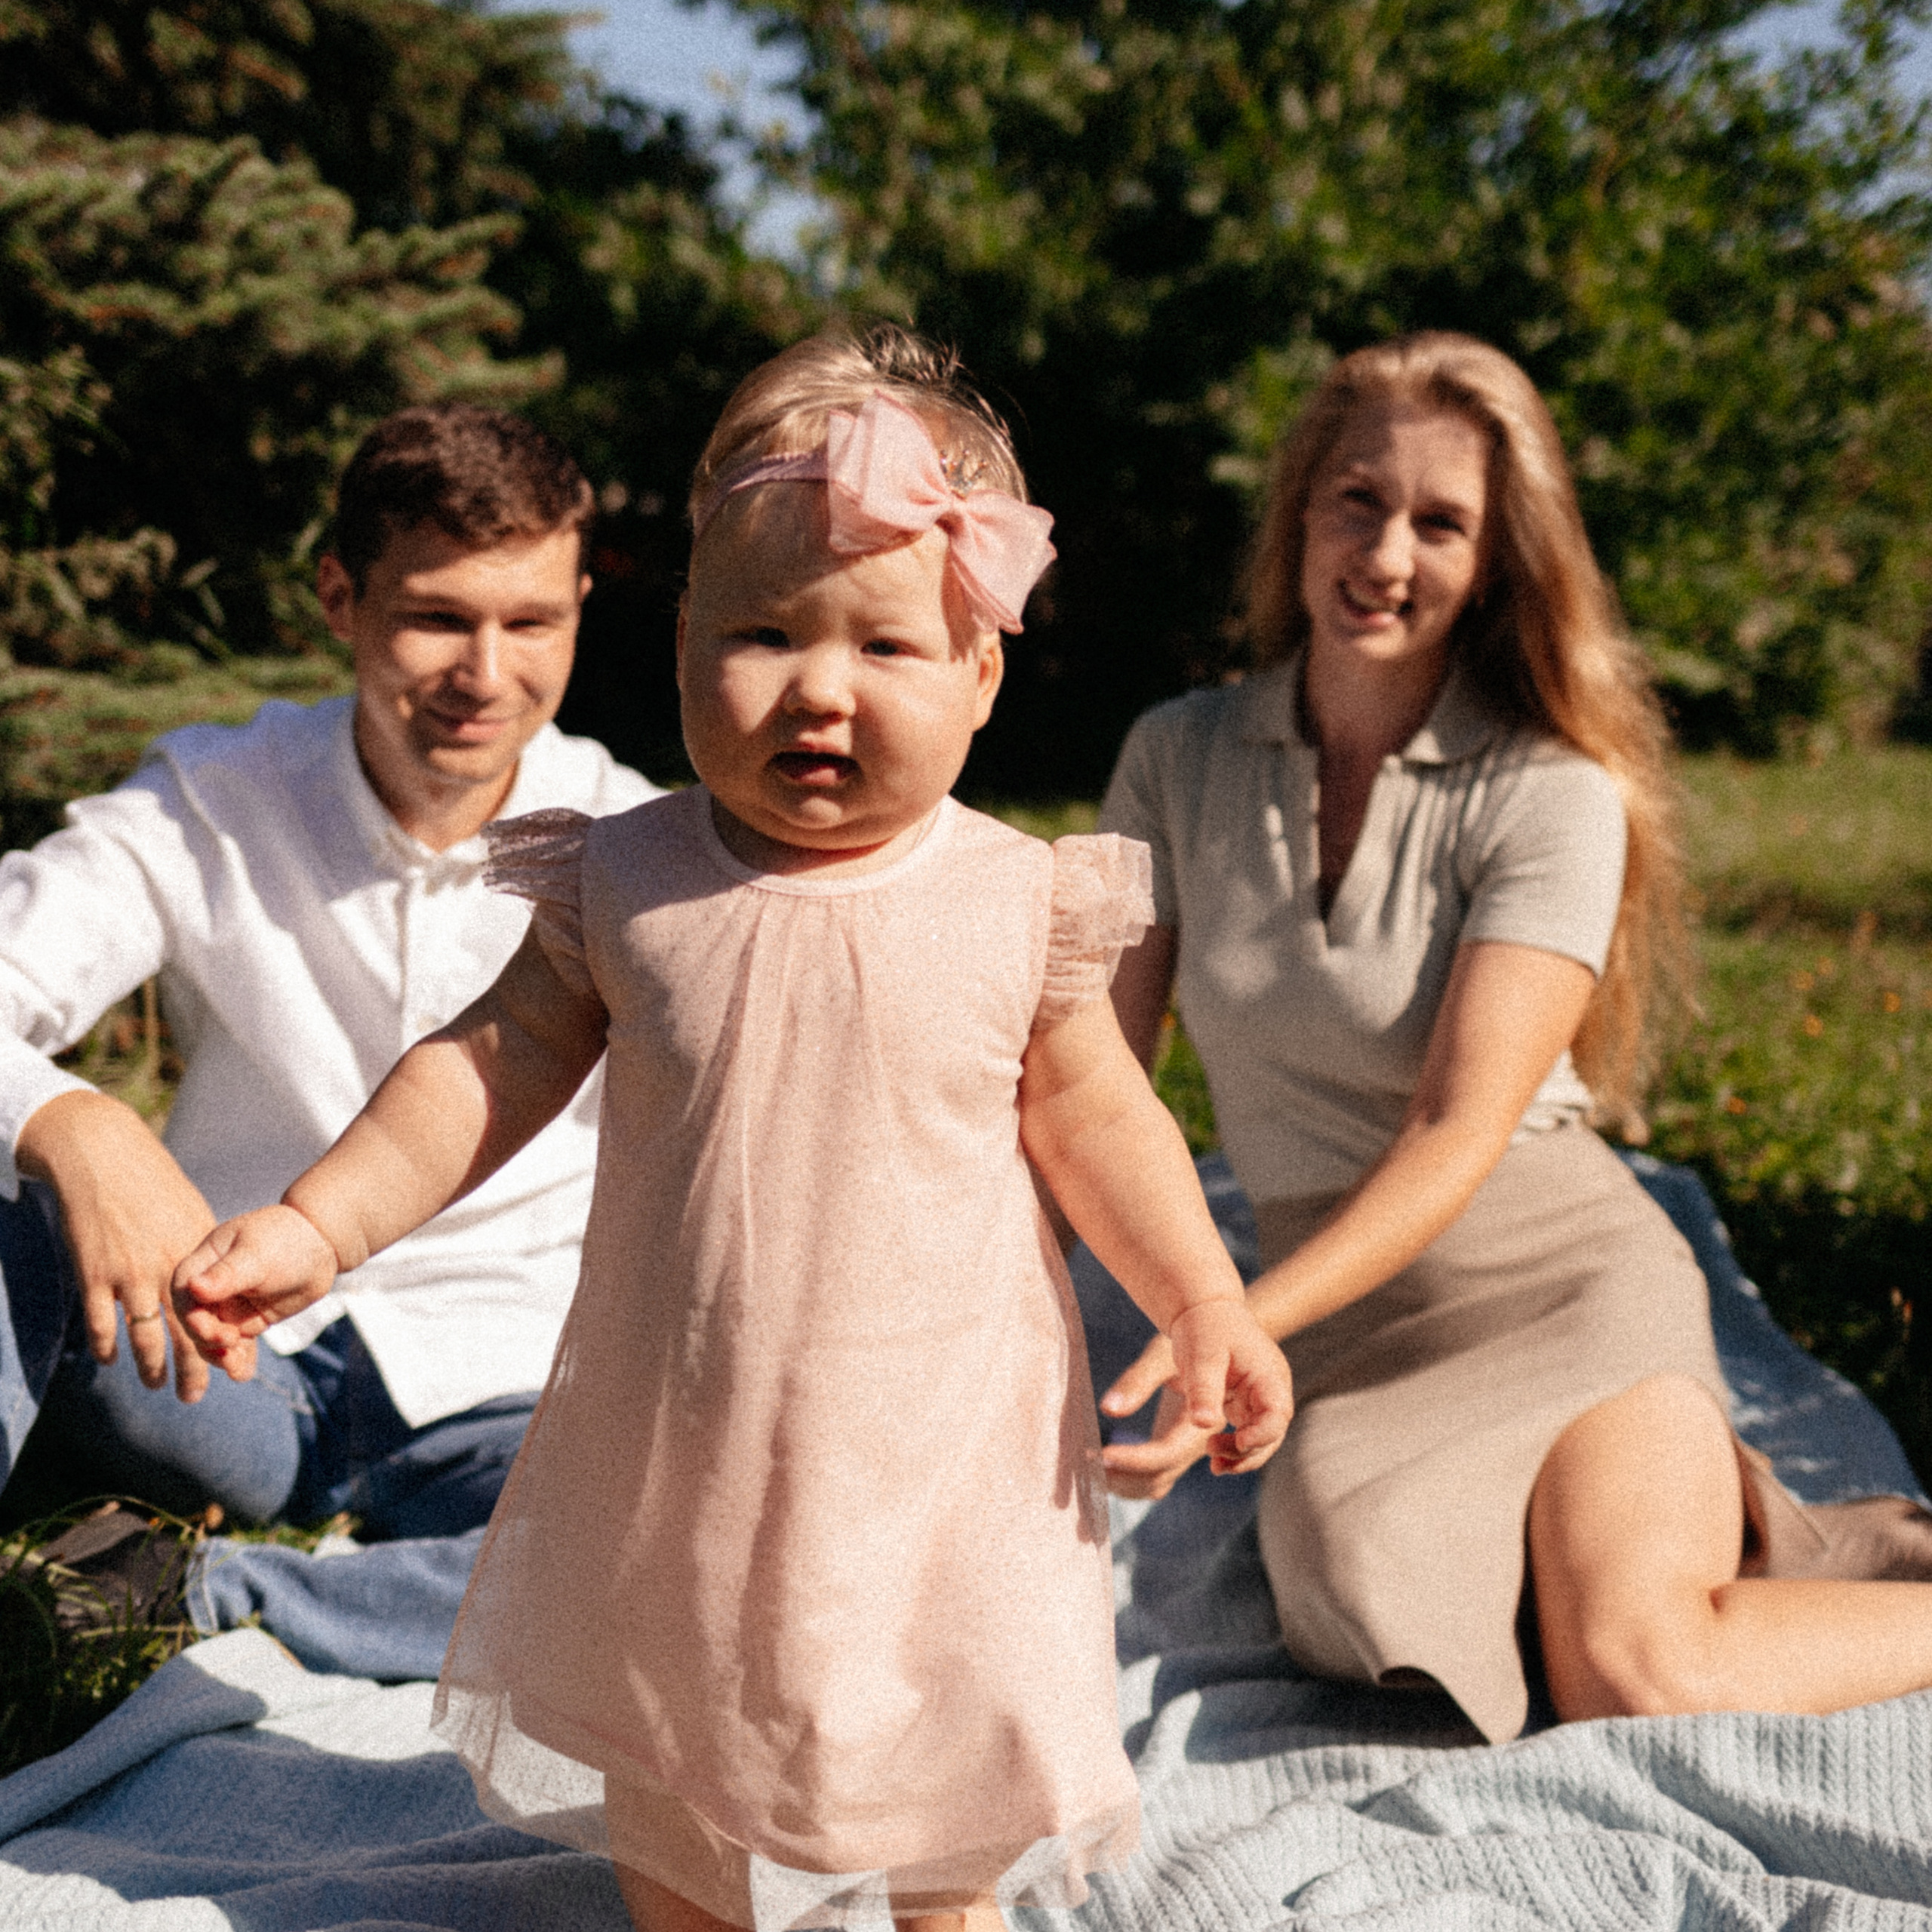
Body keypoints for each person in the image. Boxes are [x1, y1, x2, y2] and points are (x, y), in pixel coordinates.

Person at [171, 328, 1296, 1932]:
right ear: (684, 637)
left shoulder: (1011, 899)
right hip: (684, 1423)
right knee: (680, 1772)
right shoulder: (624, 877)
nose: (818, 689)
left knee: (941, 1782)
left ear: (979, 676)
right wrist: (315, 1221)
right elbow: (476, 1066)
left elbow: (1101, 1115)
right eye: (762, 633)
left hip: (943, 1444)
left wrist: (1201, 1296)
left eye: (885, 651)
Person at [1094, 331, 1932, 1746]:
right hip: (1350, 1335)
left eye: (1442, 522)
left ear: (1495, 559)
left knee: (1630, 1668)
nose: (1387, 554)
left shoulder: (1552, 791)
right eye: (1357, 500)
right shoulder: (1174, 759)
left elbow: (1455, 1130)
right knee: (1364, 1615)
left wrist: (1230, 1325)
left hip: (1558, 1282)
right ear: (1300, 510)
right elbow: (1089, 1078)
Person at [0, 405, 657, 1614]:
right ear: (339, 598)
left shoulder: (636, 845)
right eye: (437, 619)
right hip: (206, 1352)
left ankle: (204, 1592)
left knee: (656, 1551)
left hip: (506, 1387)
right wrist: (73, 1121)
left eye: (532, 623)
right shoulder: (212, 798)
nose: (486, 674)